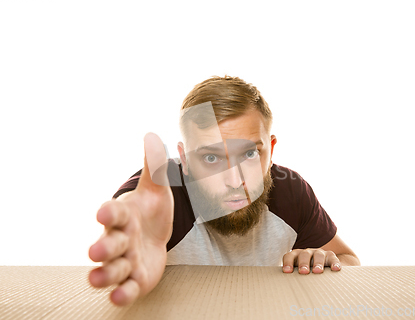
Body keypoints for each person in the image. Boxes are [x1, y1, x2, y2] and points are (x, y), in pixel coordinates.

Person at [88, 76, 360, 306]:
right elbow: (132, 214)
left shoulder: (290, 191)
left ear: (272, 149)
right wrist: (130, 238)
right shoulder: (160, 190)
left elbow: (349, 260)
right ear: (184, 159)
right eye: (211, 158)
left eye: (250, 153)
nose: (234, 180)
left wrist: (323, 263)